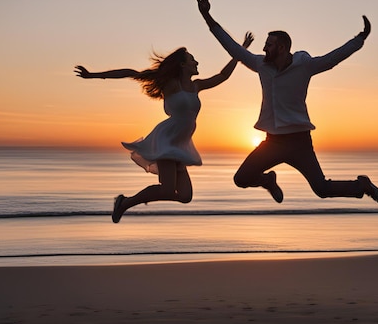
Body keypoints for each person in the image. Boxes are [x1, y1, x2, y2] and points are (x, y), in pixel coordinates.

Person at [194, 0, 378, 207]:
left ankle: (362, 186)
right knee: (241, 179)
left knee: (322, 189)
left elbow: (332, 59)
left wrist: (359, 39)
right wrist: (207, 16)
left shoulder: (304, 66)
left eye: (269, 44)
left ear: (282, 47)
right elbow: (233, 48)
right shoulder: (261, 65)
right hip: (272, 142)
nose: (264, 48)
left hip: (299, 143)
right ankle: (267, 179)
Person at [75, 32, 254, 223]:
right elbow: (130, 73)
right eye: (193, 60)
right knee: (167, 189)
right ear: (183, 65)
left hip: (182, 144)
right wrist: (93, 75)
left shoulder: (196, 86)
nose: (197, 63)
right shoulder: (170, 84)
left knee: (185, 196)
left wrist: (240, 51)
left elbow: (223, 75)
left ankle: (125, 202)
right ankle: (125, 203)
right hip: (167, 140)